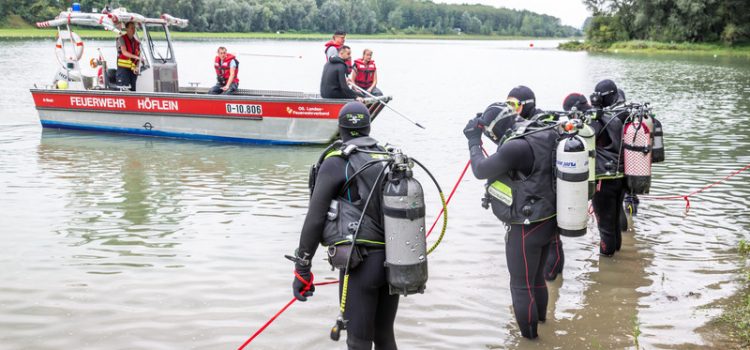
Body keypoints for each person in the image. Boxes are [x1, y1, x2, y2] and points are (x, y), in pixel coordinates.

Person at [290, 101, 399, 349]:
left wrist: (302, 269)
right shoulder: (383, 156)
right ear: (369, 126)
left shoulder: (336, 161)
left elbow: (315, 218)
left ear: (340, 129)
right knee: (384, 337)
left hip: (361, 264)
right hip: (394, 260)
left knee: (358, 342)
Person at [464, 102, 559, 339]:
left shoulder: (514, 147)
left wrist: (474, 140)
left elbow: (480, 170)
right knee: (536, 278)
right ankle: (542, 325)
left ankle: (530, 340)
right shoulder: (540, 131)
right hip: (550, 219)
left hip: (527, 226)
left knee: (520, 285)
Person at [589, 79, 630, 256]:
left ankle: (606, 264)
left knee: (605, 228)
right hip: (623, 176)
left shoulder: (602, 120)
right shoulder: (625, 113)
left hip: (604, 180)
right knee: (614, 221)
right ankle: (617, 260)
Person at [116, 22, 140, 91]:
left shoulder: (136, 42)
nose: (133, 30)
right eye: (131, 28)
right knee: (124, 89)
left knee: (133, 90)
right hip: (123, 70)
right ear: (127, 29)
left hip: (132, 70)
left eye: (134, 28)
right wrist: (136, 57)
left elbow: (138, 56)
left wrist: (137, 67)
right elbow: (124, 52)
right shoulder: (121, 39)